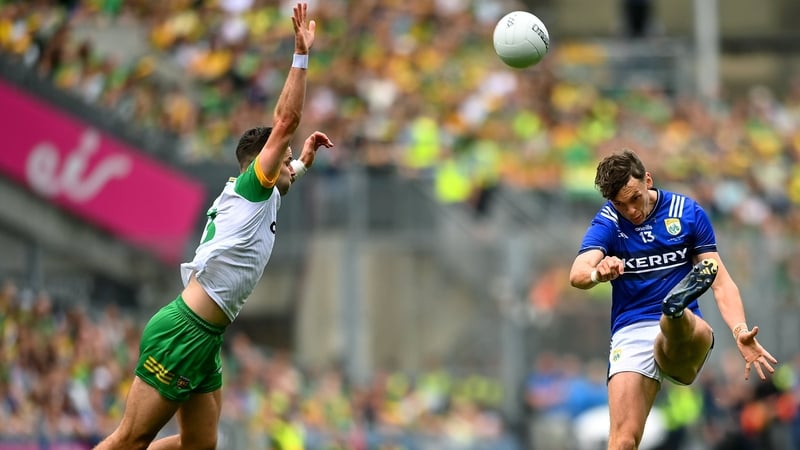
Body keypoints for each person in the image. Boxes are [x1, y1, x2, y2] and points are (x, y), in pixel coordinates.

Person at [94, 3, 333, 449]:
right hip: (184, 330)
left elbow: (287, 176)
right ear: (259, 165)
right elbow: (286, 121)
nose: (288, 167)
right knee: (131, 438)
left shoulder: (259, 194)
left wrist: (303, 160)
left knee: (200, 447)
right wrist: (300, 56)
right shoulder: (252, 187)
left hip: (207, 337)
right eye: (282, 159)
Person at [568, 149, 777, 450]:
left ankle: (674, 312)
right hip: (633, 331)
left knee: (675, 320)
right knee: (622, 441)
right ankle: (673, 312)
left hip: (688, 337)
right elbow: (577, 274)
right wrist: (599, 274)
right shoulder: (609, 221)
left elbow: (720, 281)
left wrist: (740, 331)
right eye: (620, 204)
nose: (631, 211)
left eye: (635, 198)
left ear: (648, 180)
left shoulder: (687, 213)